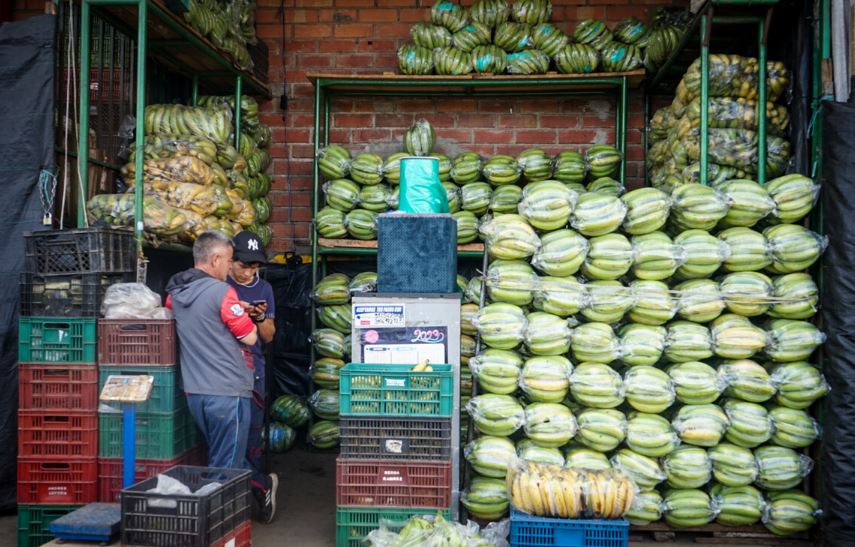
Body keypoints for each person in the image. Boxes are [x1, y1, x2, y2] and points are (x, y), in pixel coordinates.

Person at [164, 231, 262, 508]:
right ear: (216, 259)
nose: (230, 267)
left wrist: (233, 309)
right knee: (225, 469)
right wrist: (243, 314)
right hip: (227, 393)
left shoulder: (174, 294)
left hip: (195, 392)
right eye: (229, 260)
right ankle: (216, 523)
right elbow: (250, 337)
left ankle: (256, 490)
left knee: (220, 455)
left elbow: (202, 319)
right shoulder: (222, 291)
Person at [227, 230, 278, 523]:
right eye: (243, 265)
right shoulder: (221, 285)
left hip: (253, 369)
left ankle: (254, 495)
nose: (248, 272)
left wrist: (258, 318)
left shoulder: (265, 289)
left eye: (254, 266)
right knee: (227, 436)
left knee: (251, 436)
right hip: (222, 368)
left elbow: (269, 336)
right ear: (230, 260)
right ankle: (250, 487)